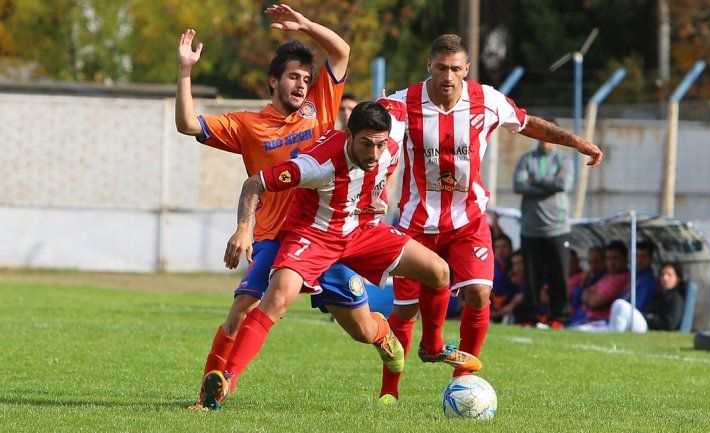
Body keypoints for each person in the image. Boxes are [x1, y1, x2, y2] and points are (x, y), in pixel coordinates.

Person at [174, 5, 391, 409]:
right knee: (241, 309)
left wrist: (307, 26)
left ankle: (384, 336)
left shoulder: (321, 107)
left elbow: (341, 52)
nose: (303, 84)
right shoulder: (248, 125)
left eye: (307, 79)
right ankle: (212, 392)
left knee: (362, 329)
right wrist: (186, 71)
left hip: (325, 233)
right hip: (276, 238)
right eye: (294, 76)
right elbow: (188, 124)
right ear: (273, 80)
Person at [378, 34, 603, 404]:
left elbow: (528, 123)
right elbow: (373, 138)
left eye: (455, 69)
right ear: (428, 66)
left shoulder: (487, 100)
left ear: (466, 69)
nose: (447, 76)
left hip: (468, 221)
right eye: (440, 67)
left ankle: (463, 382)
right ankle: (390, 391)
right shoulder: (403, 103)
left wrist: (575, 141)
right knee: (404, 310)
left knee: (480, 294)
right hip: (417, 224)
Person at [201, 101, 459, 410]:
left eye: (379, 144)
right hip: (313, 237)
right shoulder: (317, 165)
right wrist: (244, 228)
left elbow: (406, 105)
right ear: (349, 135)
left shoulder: (388, 143)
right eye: (366, 143)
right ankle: (227, 380)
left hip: (362, 233)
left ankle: (424, 344)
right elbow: (254, 183)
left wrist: (380, 195)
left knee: (438, 272)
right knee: (277, 297)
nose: (374, 153)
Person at [513, 118, 574, 329]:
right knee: (531, 276)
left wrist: (534, 181)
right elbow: (519, 185)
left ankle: (560, 317)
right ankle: (529, 317)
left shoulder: (563, 160)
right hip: (530, 228)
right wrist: (548, 184)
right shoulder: (526, 159)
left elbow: (563, 183)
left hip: (557, 228)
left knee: (559, 276)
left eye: (550, 133)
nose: (545, 138)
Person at [605, 262, 686, 333]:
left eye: (669, 275)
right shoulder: (658, 295)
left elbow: (669, 324)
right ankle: (611, 332)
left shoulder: (675, 298)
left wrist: (649, 317)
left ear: (678, 278)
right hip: (645, 323)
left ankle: (614, 334)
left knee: (621, 305)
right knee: (618, 305)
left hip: (647, 327)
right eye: (662, 274)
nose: (665, 278)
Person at [579, 241, 631, 323]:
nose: (611, 263)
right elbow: (585, 294)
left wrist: (589, 295)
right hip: (589, 319)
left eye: (616, 258)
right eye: (608, 258)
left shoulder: (621, 278)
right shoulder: (608, 275)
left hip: (601, 321)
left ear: (625, 259)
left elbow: (594, 303)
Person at [570, 246, 606, 324]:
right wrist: (582, 284)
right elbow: (575, 300)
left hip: (592, 319)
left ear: (604, 261)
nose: (593, 266)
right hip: (580, 317)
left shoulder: (606, 278)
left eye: (596, 261)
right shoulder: (589, 278)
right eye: (590, 262)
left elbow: (593, 302)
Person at [620, 240, 657, 310]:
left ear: (651, 259)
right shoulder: (635, 275)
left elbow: (637, 307)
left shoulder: (647, 281)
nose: (639, 260)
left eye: (643, 257)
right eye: (637, 256)